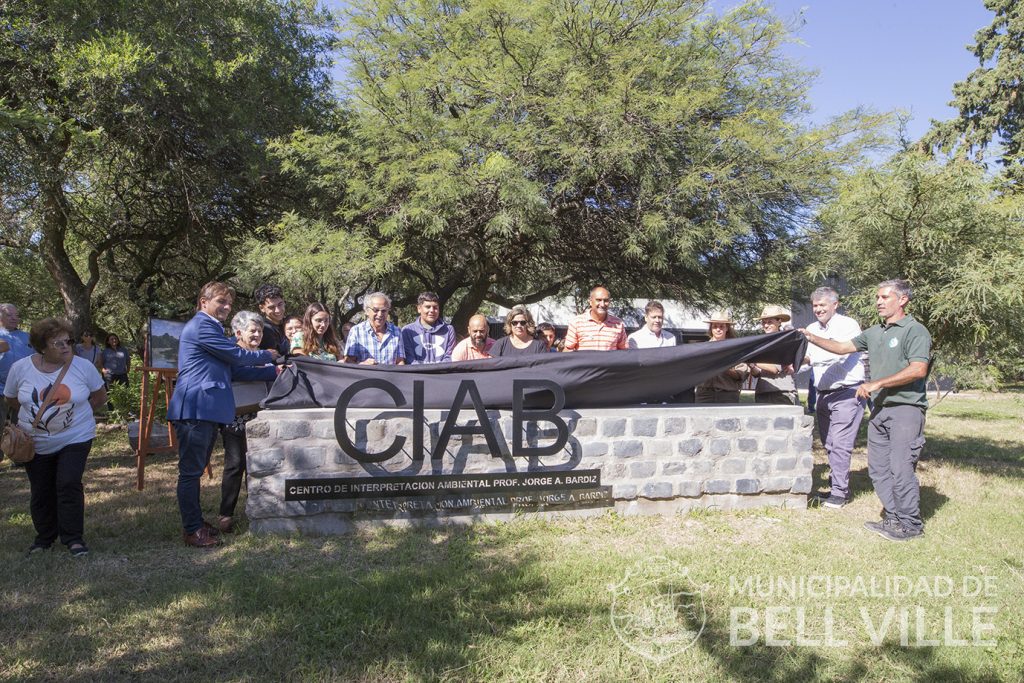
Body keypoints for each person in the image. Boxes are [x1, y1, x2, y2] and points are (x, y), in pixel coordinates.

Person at [801, 280, 931, 541]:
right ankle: (892, 518)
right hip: (880, 409)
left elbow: (919, 369)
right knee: (879, 468)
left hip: (906, 407)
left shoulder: (915, 330)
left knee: (901, 467)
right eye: (877, 297)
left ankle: (910, 525)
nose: (879, 302)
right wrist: (810, 336)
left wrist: (877, 383)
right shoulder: (875, 332)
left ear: (902, 300)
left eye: (885, 297)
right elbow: (841, 347)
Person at [167, 282, 279, 548]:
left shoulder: (211, 328)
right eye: (221, 302)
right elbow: (236, 355)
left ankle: (196, 522)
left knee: (195, 469)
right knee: (191, 472)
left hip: (207, 409)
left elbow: (234, 371)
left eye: (229, 303)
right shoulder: (202, 325)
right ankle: (192, 529)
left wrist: (273, 372)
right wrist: (266, 355)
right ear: (203, 302)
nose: (226, 307)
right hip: (195, 407)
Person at [4, 318, 106, 557]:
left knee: (68, 483)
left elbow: (100, 397)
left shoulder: (83, 367)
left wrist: (75, 416)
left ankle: (73, 538)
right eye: (57, 342)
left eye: (67, 341)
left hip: (76, 436)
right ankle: (44, 538)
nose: (65, 346)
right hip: (35, 440)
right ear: (42, 347)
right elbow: (11, 399)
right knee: (41, 489)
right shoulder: (21, 368)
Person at [800, 286, 866, 509]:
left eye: (822, 305)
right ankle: (837, 481)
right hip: (823, 394)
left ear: (835, 305)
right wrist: (792, 364)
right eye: (815, 306)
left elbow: (839, 351)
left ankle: (840, 493)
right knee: (830, 443)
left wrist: (812, 341)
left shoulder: (848, 325)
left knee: (840, 444)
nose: (818, 309)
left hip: (848, 392)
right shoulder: (811, 328)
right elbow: (808, 359)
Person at [217, 311, 277, 533]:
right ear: (239, 332)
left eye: (260, 331)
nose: (258, 334)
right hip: (234, 419)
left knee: (259, 463)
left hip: (259, 418)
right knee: (235, 465)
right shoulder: (232, 352)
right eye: (253, 330)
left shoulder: (261, 354)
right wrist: (272, 370)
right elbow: (238, 372)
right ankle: (226, 513)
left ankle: (257, 507)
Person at [695, 311, 749, 403]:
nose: (718, 329)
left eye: (721, 326)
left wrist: (723, 368)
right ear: (711, 328)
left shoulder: (736, 349)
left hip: (728, 395)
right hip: (704, 395)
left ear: (727, 328)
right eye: (715, 326)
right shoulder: (701, 349)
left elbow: (741, 374)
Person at [750, 305, 799, 406]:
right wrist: (751, 365)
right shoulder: (761, 342)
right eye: (763, 322)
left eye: (770, 322)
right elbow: (757, 373)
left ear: (779, 321)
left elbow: (774, 369)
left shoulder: (785, 341)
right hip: (762, 392)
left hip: (781, 393)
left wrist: (751, 358)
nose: (766, 325)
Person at [343, 292, 406, 365]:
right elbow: (348, 361)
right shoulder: (356, 331)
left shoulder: (396, 331)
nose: (380, 314)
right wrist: (362, 364)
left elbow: (400, 361)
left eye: (384, 310)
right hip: (365, 375)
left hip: (390, 376)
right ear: (366, 311)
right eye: (376, 310)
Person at [0, 303, 33, 437]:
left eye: (16, 315)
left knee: (21, 427)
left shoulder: (28, 337)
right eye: (9, 315)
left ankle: (21, 457)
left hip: (23, 390)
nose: (14, 318)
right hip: (1, 390)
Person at [562, 286, 628, 352]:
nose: (602, 304)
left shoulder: (618, 324)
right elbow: (568, 350)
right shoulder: (576, 322)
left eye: (606, 300)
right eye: (598, 300)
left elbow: (624, 351)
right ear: (590, 301)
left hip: (610, 362)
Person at [402, 291, 456, 364]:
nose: (432, 310)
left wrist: (436, 371)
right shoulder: (407, 331)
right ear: (419, 308)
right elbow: (409, 358)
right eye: (428, 307)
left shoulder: (448, 330)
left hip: (442, 373)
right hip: (416, 374)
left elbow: (450, 356)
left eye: (435, 307)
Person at [254, 284, 289, 355]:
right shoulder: (264, 330)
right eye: (271, 307)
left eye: (280, 304)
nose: (278, 310)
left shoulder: (290, 323)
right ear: (262, 308)